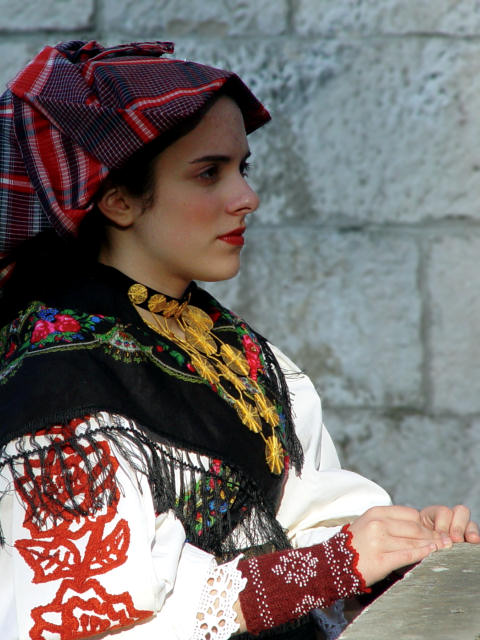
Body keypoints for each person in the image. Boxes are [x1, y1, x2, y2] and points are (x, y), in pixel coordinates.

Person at [0, 40, 478, 640]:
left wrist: (395, 548)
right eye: (209, 173)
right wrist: (327, 567)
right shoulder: (56, 379)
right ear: (118, 200)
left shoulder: (227, 345)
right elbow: (83, 611)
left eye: (241, 168)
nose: (246, 198)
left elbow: (300, 514)